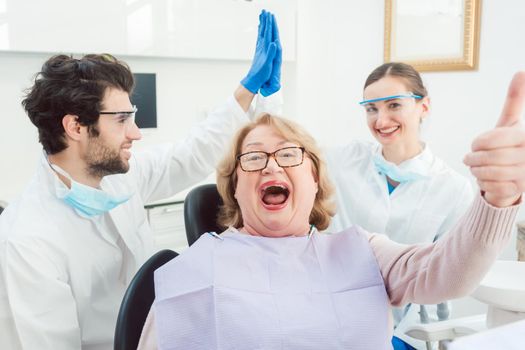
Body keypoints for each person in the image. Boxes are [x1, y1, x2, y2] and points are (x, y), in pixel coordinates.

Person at [137, 70, 525, 349]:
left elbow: (446, 274)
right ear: (234, 187)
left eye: (289, 155)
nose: (272, 166)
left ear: (316, 180)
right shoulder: (192, 269)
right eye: (253, 158)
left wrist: (498, 198)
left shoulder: (362, 250)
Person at [0, 10, 282, 350]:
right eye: (121, 120)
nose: (135, 133)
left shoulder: (116, 177)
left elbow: (190, 153)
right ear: (75, 126)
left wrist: (247, 89)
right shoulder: (27, 241)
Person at [324, 62, 474, 348]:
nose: (381, 121)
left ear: (423, 107)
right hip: (334, 315)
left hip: (407, 330)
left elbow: (446, 278)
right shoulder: (344, 162)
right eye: (372, 109)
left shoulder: (452, 189)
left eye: (394, 105)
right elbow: (288, 152)